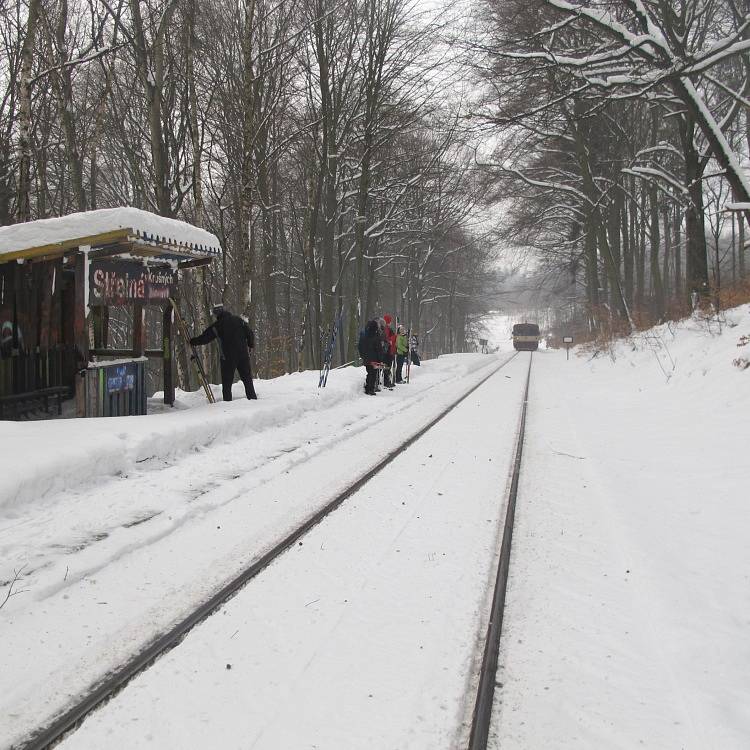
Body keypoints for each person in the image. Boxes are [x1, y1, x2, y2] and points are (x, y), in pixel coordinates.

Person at [190, 303, 257, 401]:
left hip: (227, 357)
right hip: (243, 354)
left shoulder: (218, 325)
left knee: (227, 382)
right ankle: (253, 399)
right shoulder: (239, 320)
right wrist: (250, 345)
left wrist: (193, 341)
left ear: (216, 314)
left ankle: (227, 403)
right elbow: (250, 333)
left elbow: (205, 338)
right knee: (247, 379)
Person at [357, 319, 382, 395]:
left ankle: (368, 388)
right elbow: (379, 348)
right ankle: (371, 389)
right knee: (373, 373)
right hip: (374, 358)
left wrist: (363, 355)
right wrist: (380, 358)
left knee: (369, 372)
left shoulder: (363, 335)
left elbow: (360, 346)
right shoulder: (376, 336)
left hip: (366, 358)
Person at [382, 314, 397, 387]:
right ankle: (386, 382)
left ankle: (387, 381)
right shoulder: (386, 328)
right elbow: (388, 339)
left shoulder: (386, 328)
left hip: (389, 350)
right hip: (388, 350)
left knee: (387, 366)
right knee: (387, 366)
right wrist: (392, 339)